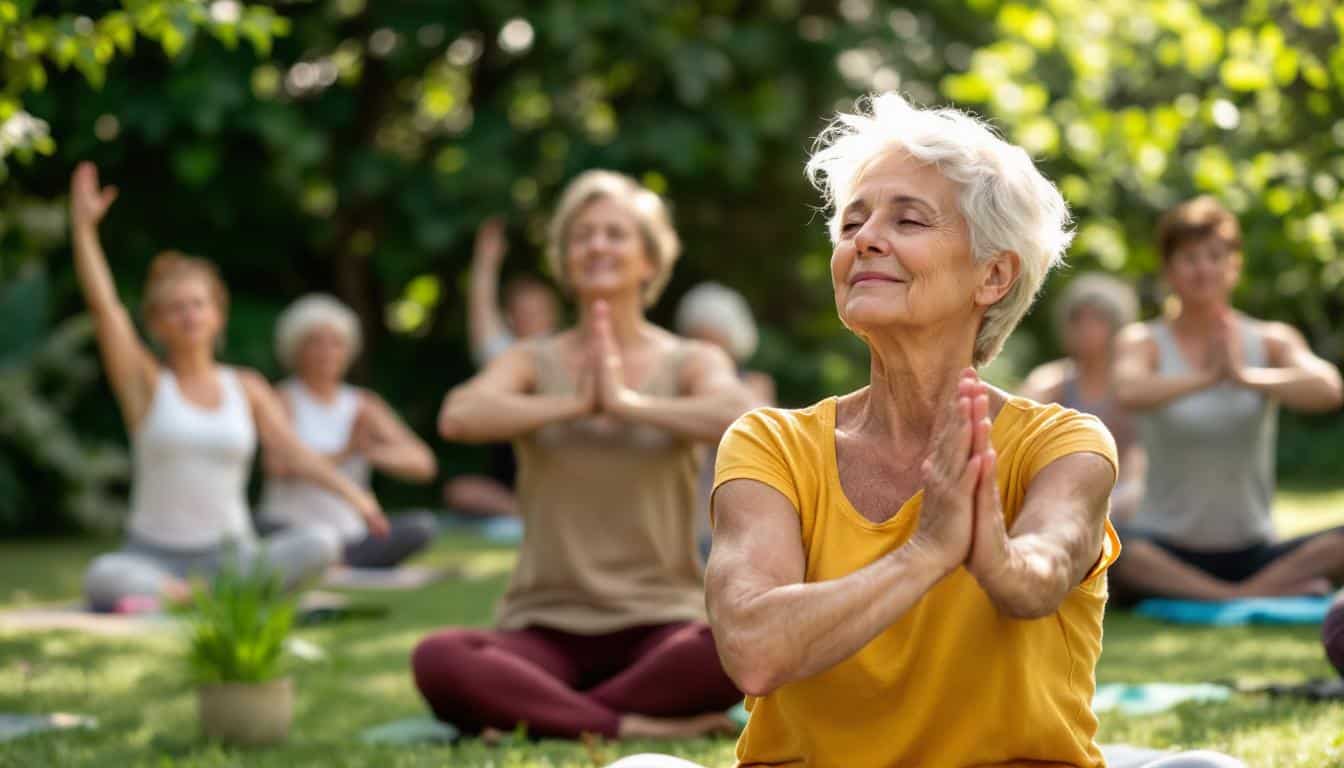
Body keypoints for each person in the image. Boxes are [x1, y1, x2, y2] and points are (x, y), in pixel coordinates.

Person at [638, 93, 1245, 768]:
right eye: (853, 222)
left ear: (993, 274)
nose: (864, 238)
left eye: (909, 219)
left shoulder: (1064, 443)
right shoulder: (770, 444)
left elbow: (1040, 577)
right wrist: (925, 552)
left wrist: (992, 552)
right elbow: (753, 650)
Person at [411, 170, 756, 740]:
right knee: (440, 657)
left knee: (732, 646)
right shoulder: (532, 358)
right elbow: (460, 414)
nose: (597, 244)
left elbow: (740, 412)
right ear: (566, 259)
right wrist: (572, 406)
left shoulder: (686, 358)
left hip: (661, 620)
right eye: (583, 235)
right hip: (544, 626)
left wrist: (627, 404)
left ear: (649, 260)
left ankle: (548, 713)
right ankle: (631, 725)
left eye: (615, 234)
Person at [69, 163, 382, 613]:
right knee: (103, 575)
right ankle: (192, 597)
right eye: (175, 308)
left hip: (234, 556)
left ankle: (188, 600)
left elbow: (295, 452)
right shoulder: (147, 384)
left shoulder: (248, 387)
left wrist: (356, 497)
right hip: (151, 555)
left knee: (320, 543)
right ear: (156, 325)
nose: (189, 314)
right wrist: (83, 229)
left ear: (218, 314)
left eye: (198, 304)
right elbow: (106, 309)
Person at [1110, 195, 1344, 602]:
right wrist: (1207, 378)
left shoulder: (1271, 339)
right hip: (1164, 548)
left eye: (1216, 256)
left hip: (1255, 547)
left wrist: (1245, 377)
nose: (1204, 268)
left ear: (1234, 265)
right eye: (1190, 257)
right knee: (1111, 549)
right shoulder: (1144, 341)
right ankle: (1244, 595)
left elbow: (1328, 389)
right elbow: (1128, 390)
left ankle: (1230, 591)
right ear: (1169, 269)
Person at [259, 294, 438, 569]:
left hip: (352, 534)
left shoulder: (364, 404)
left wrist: (371, 451)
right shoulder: (283, 398)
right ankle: (326, 560)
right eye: (315, 342)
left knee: (422, 526)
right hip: (292, 528)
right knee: (302, 539)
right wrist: (347, 451)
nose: (326, 352)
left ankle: (337, 562)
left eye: (336, 343)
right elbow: (279, 466)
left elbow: (423, 464)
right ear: (296, 349)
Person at [443, 217, 562, 518]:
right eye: (525, 312)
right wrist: (486, 261)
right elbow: (482, 313)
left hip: (559, 476)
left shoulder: (567, 355)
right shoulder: (505, 358)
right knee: (459, 490)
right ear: (511, 318)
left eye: (538, 311)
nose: (532, 318)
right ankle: (522, 511)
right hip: (508, 488)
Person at [1022, 273, 1145, 521]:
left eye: (1098, 319)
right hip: (1055, 496)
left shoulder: (1127, 389)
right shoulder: (1051, 381)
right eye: (1078, 319)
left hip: (1119, 502)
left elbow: (1138, 461)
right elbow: (1022, 429)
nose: (1086, 329)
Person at [674, 282, 775, 558]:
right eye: (696, 339)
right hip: (690, 522)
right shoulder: (679, 387)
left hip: (737, 521)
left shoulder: (755, 386)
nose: (705, 351)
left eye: (712, 340)